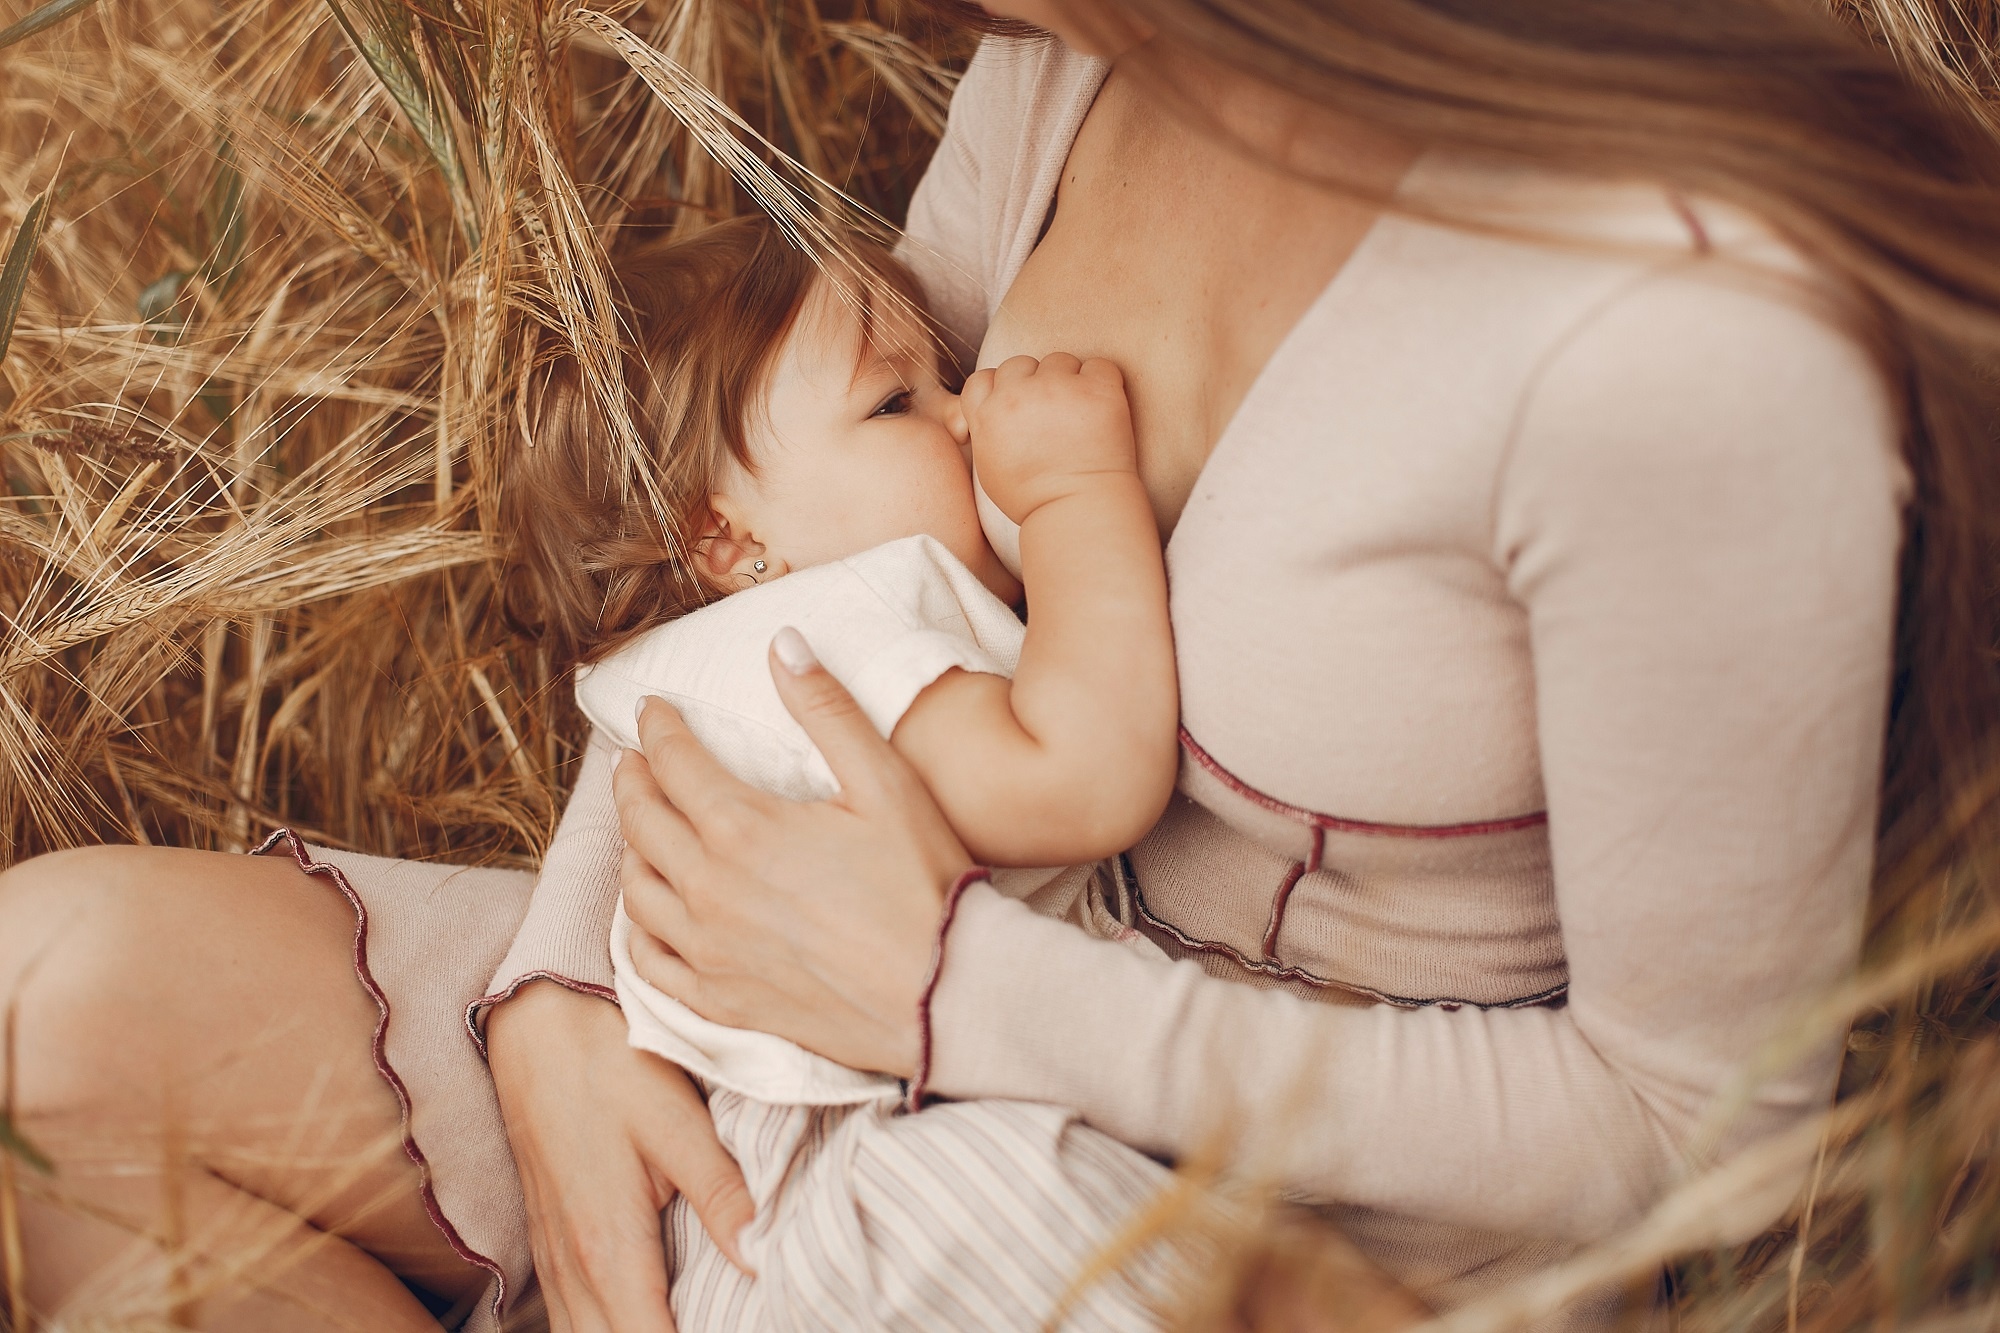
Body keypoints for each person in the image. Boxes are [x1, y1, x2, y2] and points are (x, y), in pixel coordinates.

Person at [4, 1, 2000, 1332]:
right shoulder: (1087, 58)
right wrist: (561, 989)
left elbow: (1693, 1130)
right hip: (818, 1041)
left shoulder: (1684, 337)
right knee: (47, 1024)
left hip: (1234, 1220)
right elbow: (797, 551)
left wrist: (964, 991)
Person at [511, 211, 1190, 1330]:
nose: (966, 414)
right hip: (889, 1182)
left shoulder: (685, 666)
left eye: (943, 379)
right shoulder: (837, 629)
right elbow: (1083, 777)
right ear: (725, 542)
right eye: (895, 404)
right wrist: (1076, 493)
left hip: (751, 1199)